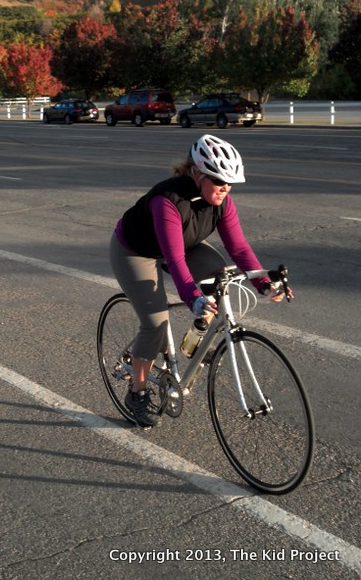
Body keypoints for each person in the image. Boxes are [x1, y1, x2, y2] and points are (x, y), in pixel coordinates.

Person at [110, 133, 292, 428]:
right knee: (155, 323)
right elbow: (174, 259)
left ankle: (193, 339)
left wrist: (262, 283)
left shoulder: (222, 202)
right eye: (218, 181)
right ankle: (137, 391)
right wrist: (192, 297)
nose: (225, 188)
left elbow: (240, 248)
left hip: (187, 245)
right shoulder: (168, 201)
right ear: (197, 174)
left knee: (222, 286)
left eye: (230, 183)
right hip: (136, 251)